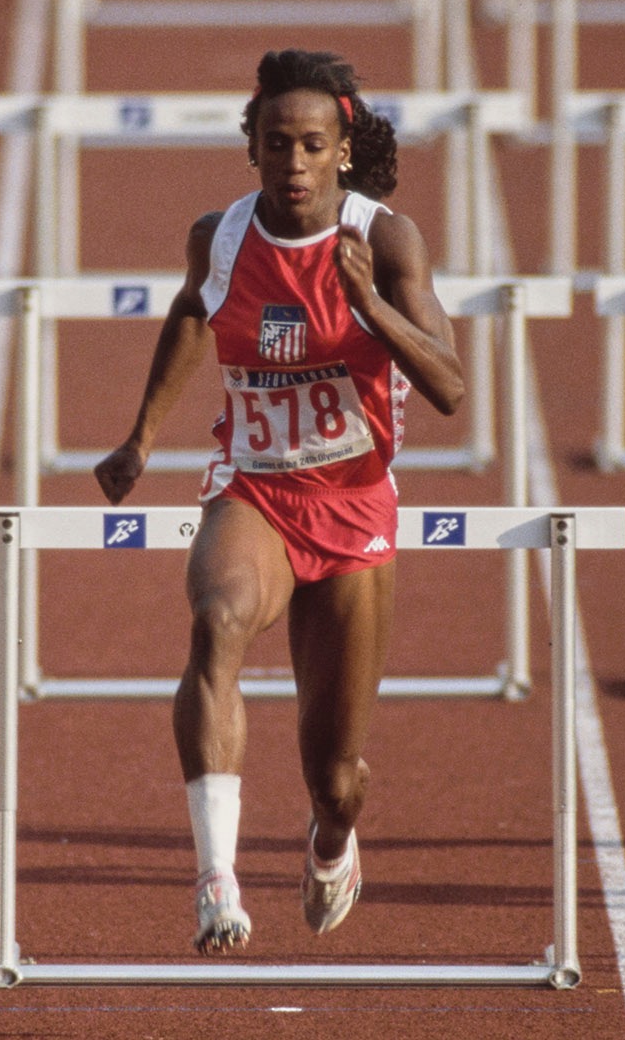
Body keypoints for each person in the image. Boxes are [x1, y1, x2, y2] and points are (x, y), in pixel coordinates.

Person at [95, 49, 464, 952]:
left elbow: (451, 387)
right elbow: (193, 311)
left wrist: (369, 304)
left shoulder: (387, 240)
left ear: (343, 150)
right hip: (255, 488)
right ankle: (216, 879)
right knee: (217, 621)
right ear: (251, 148)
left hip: (354, 503)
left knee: (334, 776)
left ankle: (332, 840)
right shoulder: (220, 237)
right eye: (275, 144)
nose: (292, 163)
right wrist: (142, 436)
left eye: (310, 145)